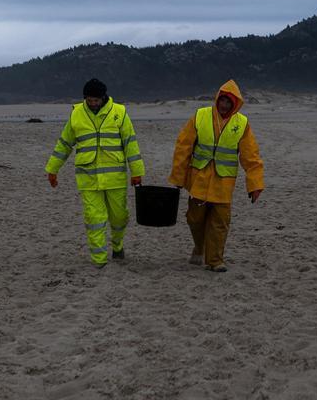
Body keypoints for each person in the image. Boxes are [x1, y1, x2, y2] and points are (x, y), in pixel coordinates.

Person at [45, 78, 145, 267]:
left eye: (96, 100)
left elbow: (130, 143)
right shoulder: (76, 115)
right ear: (85, 98)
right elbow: (64, 144)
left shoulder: (119, 112)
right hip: (87, 177)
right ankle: (99, 260)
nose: (93, 104)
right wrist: (52, 169)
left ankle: (117, 246)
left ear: (103, 97)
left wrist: (137, 172)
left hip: (115, 177)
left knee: (119, 217)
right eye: (89, 100)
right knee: (95, 219)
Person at [168, 79, 264, 272]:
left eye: (229, 102)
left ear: (235, 104)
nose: (224, 105)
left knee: (219, 223)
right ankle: (199, 246)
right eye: (222, 101)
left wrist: (255, 185)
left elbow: (251, 157)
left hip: (223, 184)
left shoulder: (242, 124)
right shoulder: (200, 116)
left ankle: (215, 260)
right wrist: (178, 177)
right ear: (217, 99)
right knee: (194, 219)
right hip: (199, 181)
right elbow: (183, 148)